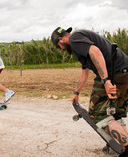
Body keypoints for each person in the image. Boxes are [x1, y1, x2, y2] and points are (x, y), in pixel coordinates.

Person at [51, 27, 128, 156]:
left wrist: (106, 80)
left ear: (61, 40)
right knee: (115, 114)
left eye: (59, 47)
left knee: (97, 114)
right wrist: (76, 92)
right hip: (124, 70)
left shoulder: (75, 39)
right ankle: (125, 149)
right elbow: (84, 72)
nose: (62, 50)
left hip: (113, 72)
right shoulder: (80, 43)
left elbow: (95, 51)